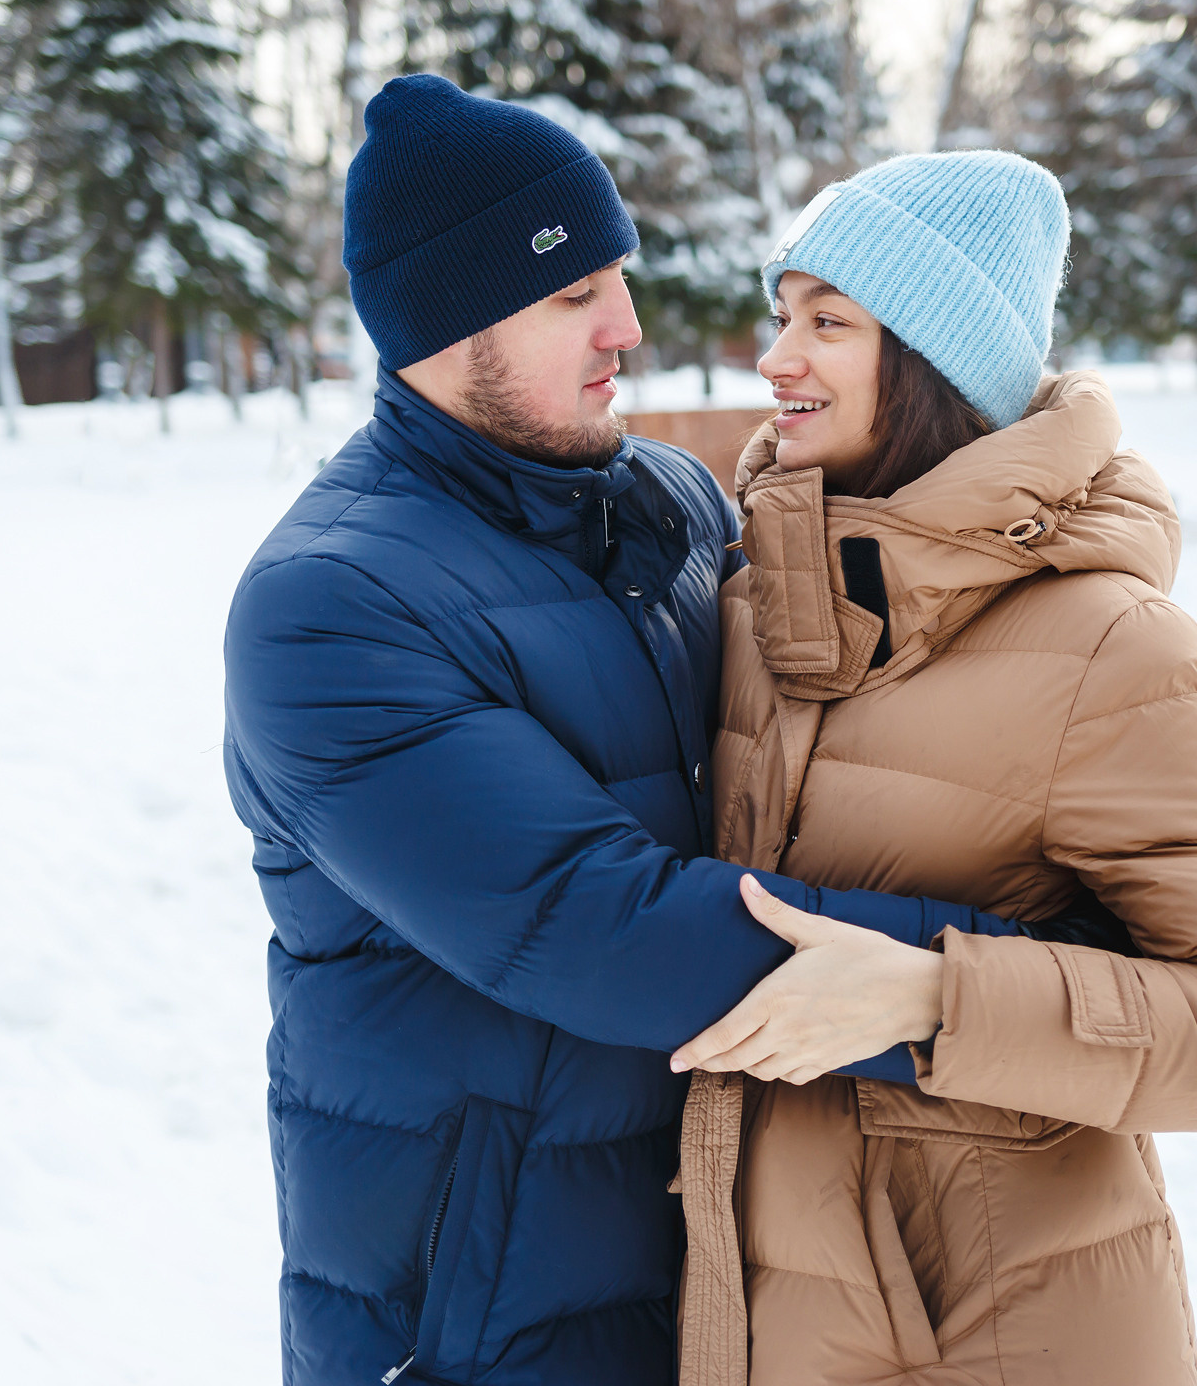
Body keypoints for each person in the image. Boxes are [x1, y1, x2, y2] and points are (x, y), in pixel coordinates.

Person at [222, 78, 1036, 1386]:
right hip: (479, 1321)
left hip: (715, 1273)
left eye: (620, 277)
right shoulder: (331, 607)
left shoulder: (666, 502)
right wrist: (1014, 975)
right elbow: (600, 924)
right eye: (573, 294)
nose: (628, 327)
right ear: (445, 319)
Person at [664, 151, 1197, 1386]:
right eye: (782, 316)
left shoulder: (1109, 643)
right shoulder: (755, 603)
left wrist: (936, 999)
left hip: (1005, 1335)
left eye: (827, 323)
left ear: (934, 362)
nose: (776, 359)